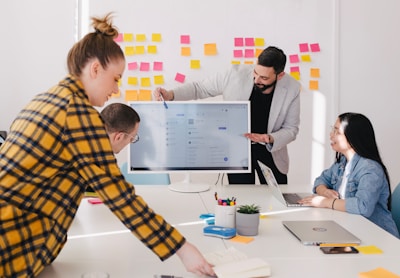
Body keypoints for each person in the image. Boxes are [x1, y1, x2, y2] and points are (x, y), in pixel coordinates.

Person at [0, 13, 215, 277]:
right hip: (12, 243)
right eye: (116, 78)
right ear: (95, 69)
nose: (115, 90)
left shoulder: (45, 98)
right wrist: (182, 249)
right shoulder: (77, 113)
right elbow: (119, 196)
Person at [155, 46, 301, 185]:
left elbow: (291, 129)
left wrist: (269, 138)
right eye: (255, 73)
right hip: (237, 150)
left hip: (271, 151)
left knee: (278, 200)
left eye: (264, 78)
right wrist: (171, 95)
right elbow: (199, 88)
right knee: (242, 201)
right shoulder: (234, 74)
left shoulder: (292, 88)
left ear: (280, 75)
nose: (256, 80)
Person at [299, 113, 399, 238]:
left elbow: (363, 206)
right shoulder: (342, 163)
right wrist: (324, 191)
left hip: (378, 236)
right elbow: (321, 179)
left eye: (337, 132)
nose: (331, 135)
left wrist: (325, 202)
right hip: (352, 229)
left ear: (353, 138)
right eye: (332, 130)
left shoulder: (370, 169)